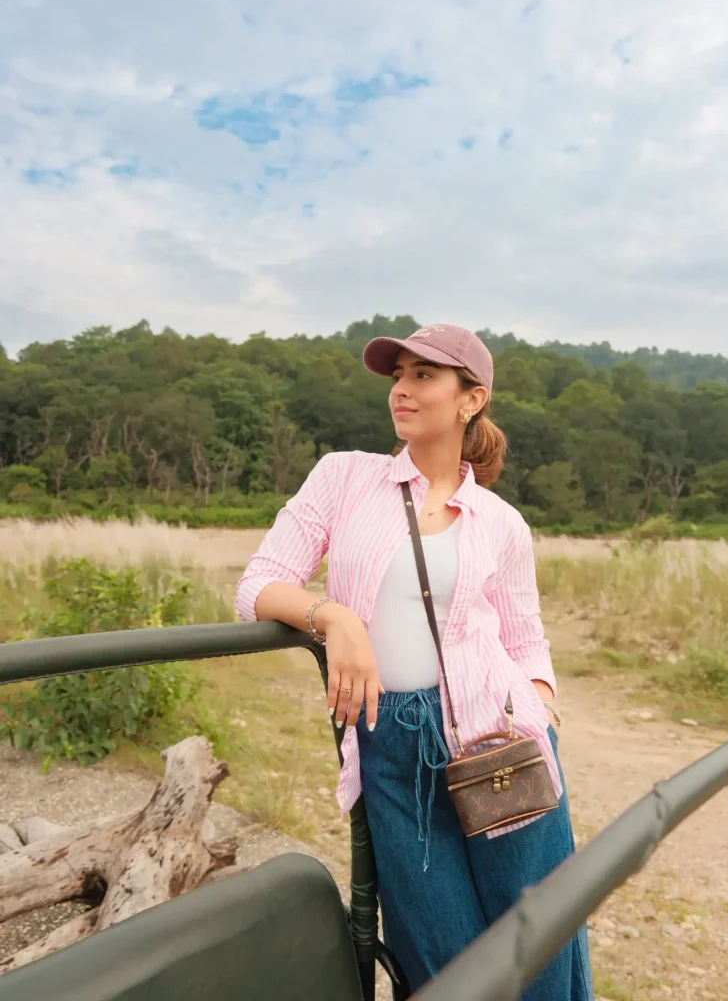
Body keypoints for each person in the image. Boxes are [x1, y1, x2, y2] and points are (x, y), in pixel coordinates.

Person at [235, 324, 594, 999]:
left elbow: (526, 638)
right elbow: (258, 583)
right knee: (437, 956)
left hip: (501, 738)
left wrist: (538, 712)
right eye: (399, 373)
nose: (401, 388)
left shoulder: (501, 521)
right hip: (392, 745)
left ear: (471, 399)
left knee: (539, 939)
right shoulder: (344, 478)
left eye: (424, 375)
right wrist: (332, 617)